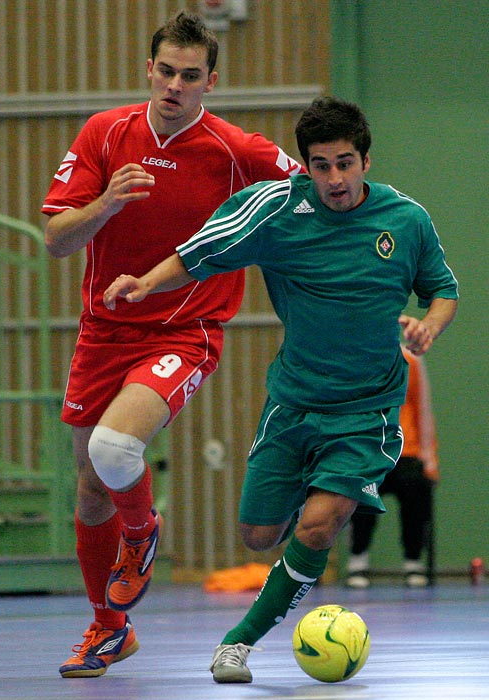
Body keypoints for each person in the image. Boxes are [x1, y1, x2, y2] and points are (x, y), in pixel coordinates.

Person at [102, 95, 459, 684]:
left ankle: (237, 642)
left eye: (345, 162)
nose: (335, 178)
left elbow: (443, 290)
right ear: (306, 166)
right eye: (321, 165)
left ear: (366, 160)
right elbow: (197, 256)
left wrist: (429, 326)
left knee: (318, 526)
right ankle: (304, 533)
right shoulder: (273, 211)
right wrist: (146, 283)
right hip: (293, 405)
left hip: (367, 411)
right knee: (259, 534)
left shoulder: (407, 221)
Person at [41, 11, 304, 679]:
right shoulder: (106, 133)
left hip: (186, 330)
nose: (175, 86)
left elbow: (314, 193)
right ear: (148, 71)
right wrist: (105, 204)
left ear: (210, 81)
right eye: (166, 72)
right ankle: (109, 628)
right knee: (90, 489)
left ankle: (142, 531)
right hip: (104, 329)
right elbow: (55, 238)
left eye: (191, 76)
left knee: (114, 448)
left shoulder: (235, 150)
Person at [346, 345, 439, 589]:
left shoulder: (411, 360)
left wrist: (430, 459)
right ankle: (358, 561)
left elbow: (423, 406)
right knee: (363, 499)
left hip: (406, 450)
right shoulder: (358, 358)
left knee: (415, 496)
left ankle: (413, 562)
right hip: (370, 450)